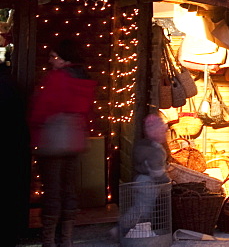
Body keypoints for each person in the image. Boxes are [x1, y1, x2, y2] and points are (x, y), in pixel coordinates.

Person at [29, 39, 98, 247]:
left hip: (53, 141)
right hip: (74, 141)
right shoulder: (84, 80)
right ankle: (66, 239)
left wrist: (32, 130)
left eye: (53, 56)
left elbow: (41, 110)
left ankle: (48, 240)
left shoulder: (58, 78)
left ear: (64, 58)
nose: (50, 60)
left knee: (52, 190)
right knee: (69, 190)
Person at [115, 114, 169, 240]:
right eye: (162, 131)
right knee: (141, 210)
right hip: (148, 183)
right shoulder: (154, 150)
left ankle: (137, 232)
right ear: (156, 132)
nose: (165, 133)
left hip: (142, 180)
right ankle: (121, 230)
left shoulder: (144, 146)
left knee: (143, 209)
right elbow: (157, 171)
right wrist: (167, 182)